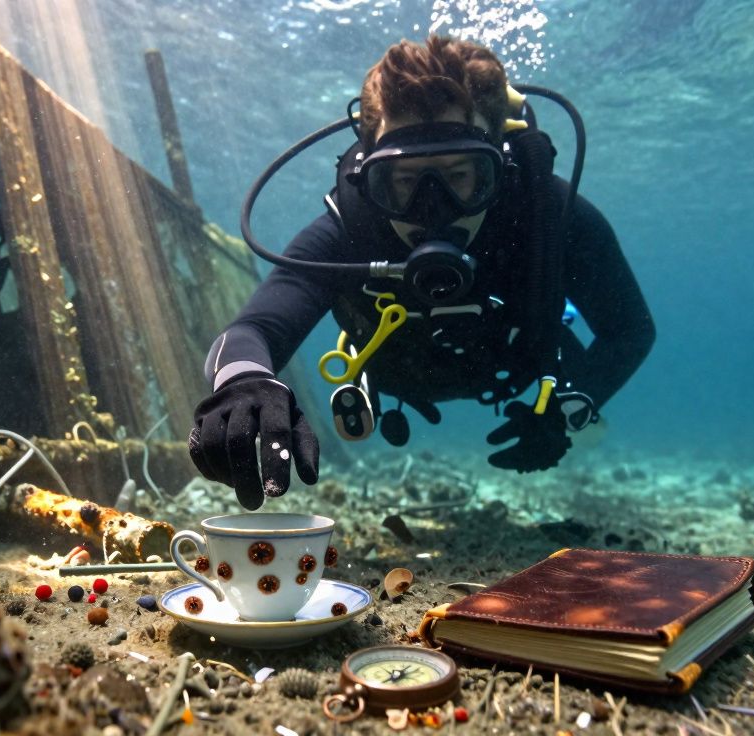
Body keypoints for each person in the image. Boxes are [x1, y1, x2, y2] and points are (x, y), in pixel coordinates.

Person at [190, 36, 655, 510]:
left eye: (460, 176)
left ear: (499, 168)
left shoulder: (549, 216)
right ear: (370, 179)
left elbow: (630, 331)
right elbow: (254, 329)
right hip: (394, 373)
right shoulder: (350, 230)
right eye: (405, 181)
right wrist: (243, 381)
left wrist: (566, 410)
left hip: (518, 366)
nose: (432, 210)